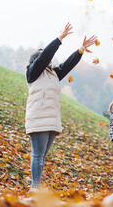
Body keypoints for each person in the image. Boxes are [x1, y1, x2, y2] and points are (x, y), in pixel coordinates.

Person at [25, 23, 97, 189]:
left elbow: (68, 65)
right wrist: (60, 38)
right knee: (37, 155)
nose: (49, 58)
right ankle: (35, 187)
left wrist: (81, 49)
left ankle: (37, 185)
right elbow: (44, 58)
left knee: (42, 156)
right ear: (37, 60)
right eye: (44, 57)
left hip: (51, 119)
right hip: (39, 118)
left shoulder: (53, 74)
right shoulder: (32, 72)